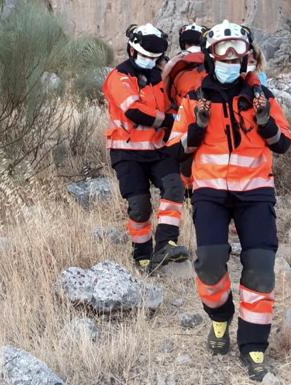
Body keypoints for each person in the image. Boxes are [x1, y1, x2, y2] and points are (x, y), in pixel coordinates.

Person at [166, 20, 291, 381]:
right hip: (209, 191)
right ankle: (220, 317)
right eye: (223, 50)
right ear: (210, 57)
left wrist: (265, 122)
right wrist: (198, 128)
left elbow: (283, 142)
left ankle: (253, 346)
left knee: (260, 266)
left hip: (254, 191)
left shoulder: (260, 97)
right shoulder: (193, 101)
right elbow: (175, 150)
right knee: (208, 262)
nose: (230, 57)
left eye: (237, 50)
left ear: (246, 57)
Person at [102, 23, 189, 273]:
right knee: (140, 205)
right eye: (144, 56)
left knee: (174, 187)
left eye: (154, 58)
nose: (149, 61)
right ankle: (142, 256)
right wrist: (169, 120)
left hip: (158, 149)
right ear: (131, 51)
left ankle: (166, 243)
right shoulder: (118, 77)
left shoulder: (160, 78)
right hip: (127, 152)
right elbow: (135, 111)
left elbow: (176, 104)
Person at [162, 23, 208, 197]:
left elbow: (167, 95)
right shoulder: (214, 58)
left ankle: (189, 196)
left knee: (185, 161)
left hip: (185, 116)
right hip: (212, 113)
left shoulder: (175, 64)